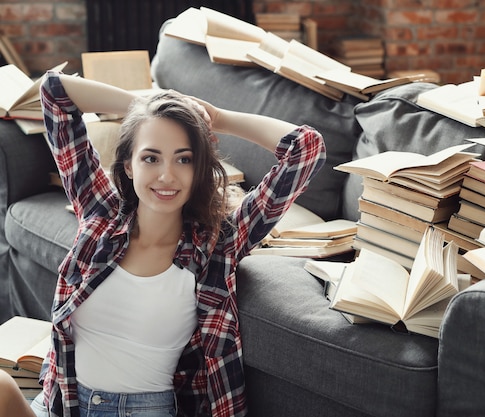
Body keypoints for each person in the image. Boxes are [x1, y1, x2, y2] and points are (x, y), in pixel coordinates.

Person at [0, 70, 325, 417]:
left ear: (198, 169)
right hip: (64, 403)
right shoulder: (100, 215)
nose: (167, 176)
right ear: (128, 166)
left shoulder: (218, 244)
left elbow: (306, 150)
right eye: (151, 157)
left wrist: (216, 118)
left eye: (183, 159)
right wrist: (150, 108)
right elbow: (54, 92)